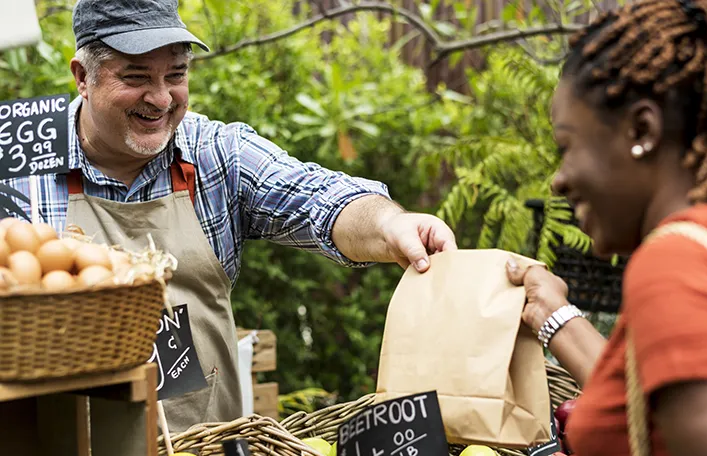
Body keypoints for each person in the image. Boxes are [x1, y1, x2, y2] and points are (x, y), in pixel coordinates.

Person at [2, 0, 456, 433]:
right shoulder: (16, 160)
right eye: (136, 76)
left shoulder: (215, 154)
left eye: (176, 75)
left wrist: (389, 224)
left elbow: (319, 197)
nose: (161, 99)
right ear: (83, 77)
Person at [412, 0, 707, 456]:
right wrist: (553, 314)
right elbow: (659, 411)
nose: (557, 180)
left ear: (641, 130)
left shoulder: (676, 263)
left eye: (567, 146)